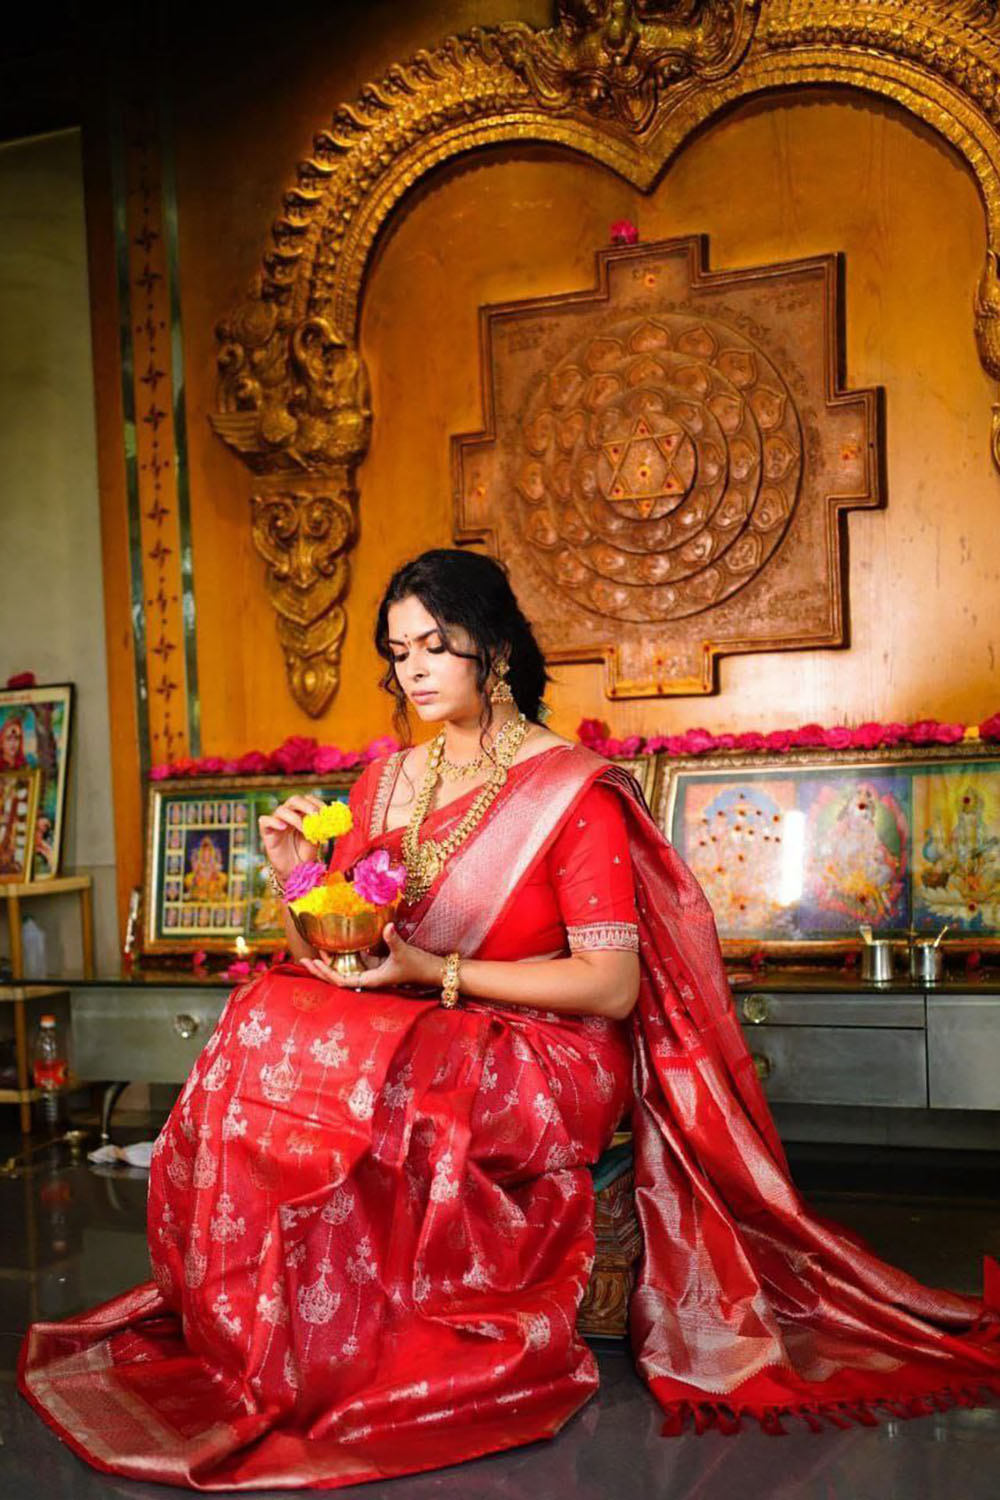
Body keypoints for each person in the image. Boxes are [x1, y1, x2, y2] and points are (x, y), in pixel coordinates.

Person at [19, 549, 1000, 1489]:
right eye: (398, 653)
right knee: (261, 1019)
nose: (414, 671)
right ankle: (278, 1332)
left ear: (491, 648)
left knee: (390, 1078)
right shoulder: (387, 783)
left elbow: (610, 989)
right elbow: (349, 940)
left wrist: (437, 971)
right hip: (414, 1018)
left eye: (434, 645)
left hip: (548, 1053)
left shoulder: (570, 794)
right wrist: (293, 874)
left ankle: (369, 1343)